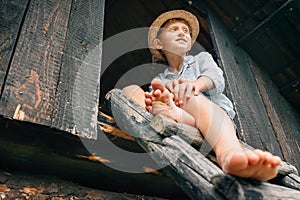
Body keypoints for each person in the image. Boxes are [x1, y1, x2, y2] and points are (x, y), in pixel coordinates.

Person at [123, 10, 281, 181]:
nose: (181, 32)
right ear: (159, 43)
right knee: (130, 90)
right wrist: (159, 101)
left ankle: (229, 154)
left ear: (190, 44)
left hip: (210, 120)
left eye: (185, 31)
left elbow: (215, 78)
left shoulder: (201, 59)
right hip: (181, 119)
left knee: (192, 97)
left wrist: (193, 86)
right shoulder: (159, 79)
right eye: (174, 29)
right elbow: (152, 97)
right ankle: (168, 114)